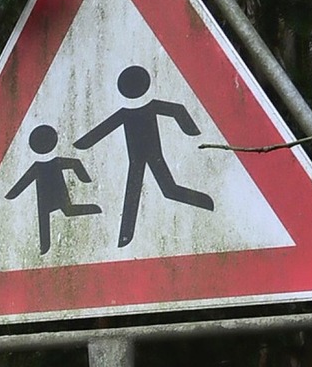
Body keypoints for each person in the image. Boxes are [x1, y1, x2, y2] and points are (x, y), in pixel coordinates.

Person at [74, 65, 213, 247]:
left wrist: (192, 130)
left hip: (152, 155)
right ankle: (125, 236)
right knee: (145, 191)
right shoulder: (129, 113)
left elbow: (176, 110)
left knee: (165, 189)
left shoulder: (142, 109)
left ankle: (204, 202)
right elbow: (102, 130)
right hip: (138, 159)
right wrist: (82, 144)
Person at [5, 124, 101, 255]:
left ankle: (94, 209)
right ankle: (44, 247)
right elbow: (75, 164)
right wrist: (84, 178)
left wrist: (11, 195)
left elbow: (75, 164)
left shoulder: (41, 166)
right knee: (55, 214)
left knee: (60, 212)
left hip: (51, 194)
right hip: (45, 197)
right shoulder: (47, 164)